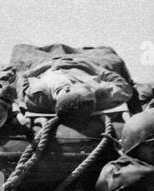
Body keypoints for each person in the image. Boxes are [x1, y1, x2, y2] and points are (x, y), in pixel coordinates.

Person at [9, 43, 137, 133]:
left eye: (65, 89)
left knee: (20, 53)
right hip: (89, 62)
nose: (68, 86)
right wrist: (95, 70)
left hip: (44, 63)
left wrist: (47, 66)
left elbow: (22, 78)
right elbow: (123, 86)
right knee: (112, 60)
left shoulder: (39, 95)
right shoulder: (99, 92)